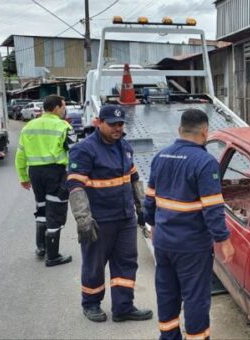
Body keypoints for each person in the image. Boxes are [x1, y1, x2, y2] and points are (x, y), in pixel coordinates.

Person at [144, 109, 234, 340]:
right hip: (192, 246)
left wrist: (153, 226)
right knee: (195, 296)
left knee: (167, 293)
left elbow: (150, 198)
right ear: (205, 132)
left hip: (163, 242)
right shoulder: (205, 162)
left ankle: (168, 336)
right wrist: (223, 240)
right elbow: (213, 208)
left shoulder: (160, 157)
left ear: (179, 130)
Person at [66, 104, 152, 323]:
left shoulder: (124, 146)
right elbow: (76, 187)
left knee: (126, 262)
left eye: (120, 124)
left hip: (125, 218)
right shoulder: (84, 149)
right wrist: (83, 218)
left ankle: (123, 307)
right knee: (95, 265)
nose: (117, 128)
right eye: (112, 124)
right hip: (99, 220)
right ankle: (91, 303)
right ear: (99, 122)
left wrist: (141, 207)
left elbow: (133, 179)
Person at [15, 94, 73, 267]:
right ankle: (53, 256)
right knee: (55, 209)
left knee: (41, 208)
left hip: (35, 173)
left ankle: (41, 248)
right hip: (55, 172)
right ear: (56, 108)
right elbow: (74, 152)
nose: (64, 110)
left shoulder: (29, 126)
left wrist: (23, 177)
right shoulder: (64, 126)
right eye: (63, 107)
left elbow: (20, 154)